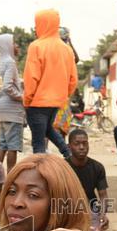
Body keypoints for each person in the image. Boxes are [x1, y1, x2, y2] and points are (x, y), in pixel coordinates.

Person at [23, 9, 77, 157]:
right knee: (48, 129)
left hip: (37, 102)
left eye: (37, 23)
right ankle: (68, 154)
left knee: (38, 143)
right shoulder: (66, 49)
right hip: (56, 102)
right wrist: (63, 96)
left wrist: (27, 100)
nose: (35, 27)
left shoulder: (36, 46)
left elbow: (31, 77)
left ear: (42, 23)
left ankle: (41, 174)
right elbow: (73, 79)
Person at [66, 129, 110, 231]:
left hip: (91, 209)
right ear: (69, 146)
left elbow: (103, 196)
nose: (82, 147)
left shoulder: (97, 167)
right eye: (77, 144)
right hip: (66, 209)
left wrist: (104, 214)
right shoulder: (63, 167)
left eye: (84, 143)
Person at [0, 34, 25, 173]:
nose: (17, 46)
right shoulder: (10, 63)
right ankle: (10, 176)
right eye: (14, 43)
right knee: (12, 146)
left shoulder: (0, 62)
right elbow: (7, 86)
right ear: (7, 46)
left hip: (2, 107)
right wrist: (22, 97)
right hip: (12, 109)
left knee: (3, 145)